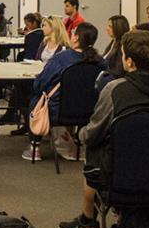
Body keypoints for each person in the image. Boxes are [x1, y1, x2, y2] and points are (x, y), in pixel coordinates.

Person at [58, 31, 149, 228]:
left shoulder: (115, 90)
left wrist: (79, 134)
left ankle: (88, 221)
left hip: (119, 176)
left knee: (94, 145)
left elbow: (93, 132)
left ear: (129, 61)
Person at [22, 23, 106, 161]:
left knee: (36, 99)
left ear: (76, 38)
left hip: (58, 110)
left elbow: (40, 84)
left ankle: (35, 147)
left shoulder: (61, 58)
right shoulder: (99, 61)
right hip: (90, 110)